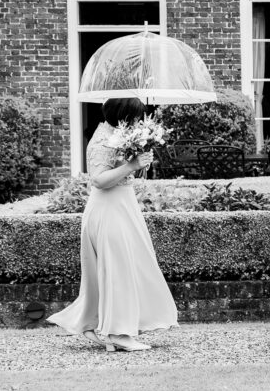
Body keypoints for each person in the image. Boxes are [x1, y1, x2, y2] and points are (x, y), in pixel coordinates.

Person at [47, 98, 177, 352]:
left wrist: (140, 164)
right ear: (123, 116)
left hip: (123, 207)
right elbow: (98, 179)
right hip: (108, 211)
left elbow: (123, 173)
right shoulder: (102, 140)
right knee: (118, 271)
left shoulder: (116, 135)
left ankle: (92, 323)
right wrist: (131, 165)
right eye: (136, 117)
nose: (139, 122)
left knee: (128, 267)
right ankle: (118, 333)